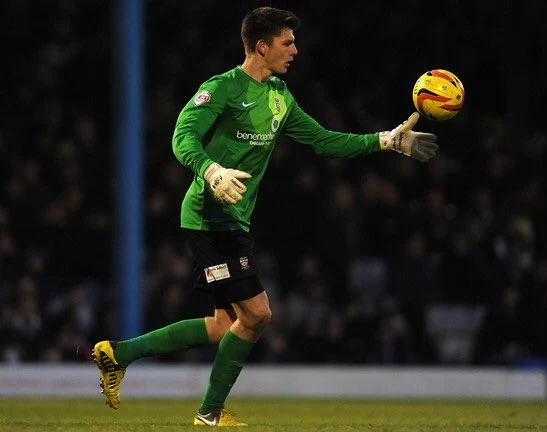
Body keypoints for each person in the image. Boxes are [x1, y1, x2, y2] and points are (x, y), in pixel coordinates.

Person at [92, 6, 438, 427]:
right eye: (287, 42)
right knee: (257, 315)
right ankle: (209, 415)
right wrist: (211, 170)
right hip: (208, 217)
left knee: (224, 326)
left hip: (234, 221)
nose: (296, 49)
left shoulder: (279, 96)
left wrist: (386, 141)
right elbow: (182, 136)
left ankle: (119, 354)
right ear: (262, 46)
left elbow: (323, 141)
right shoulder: (221, 88)